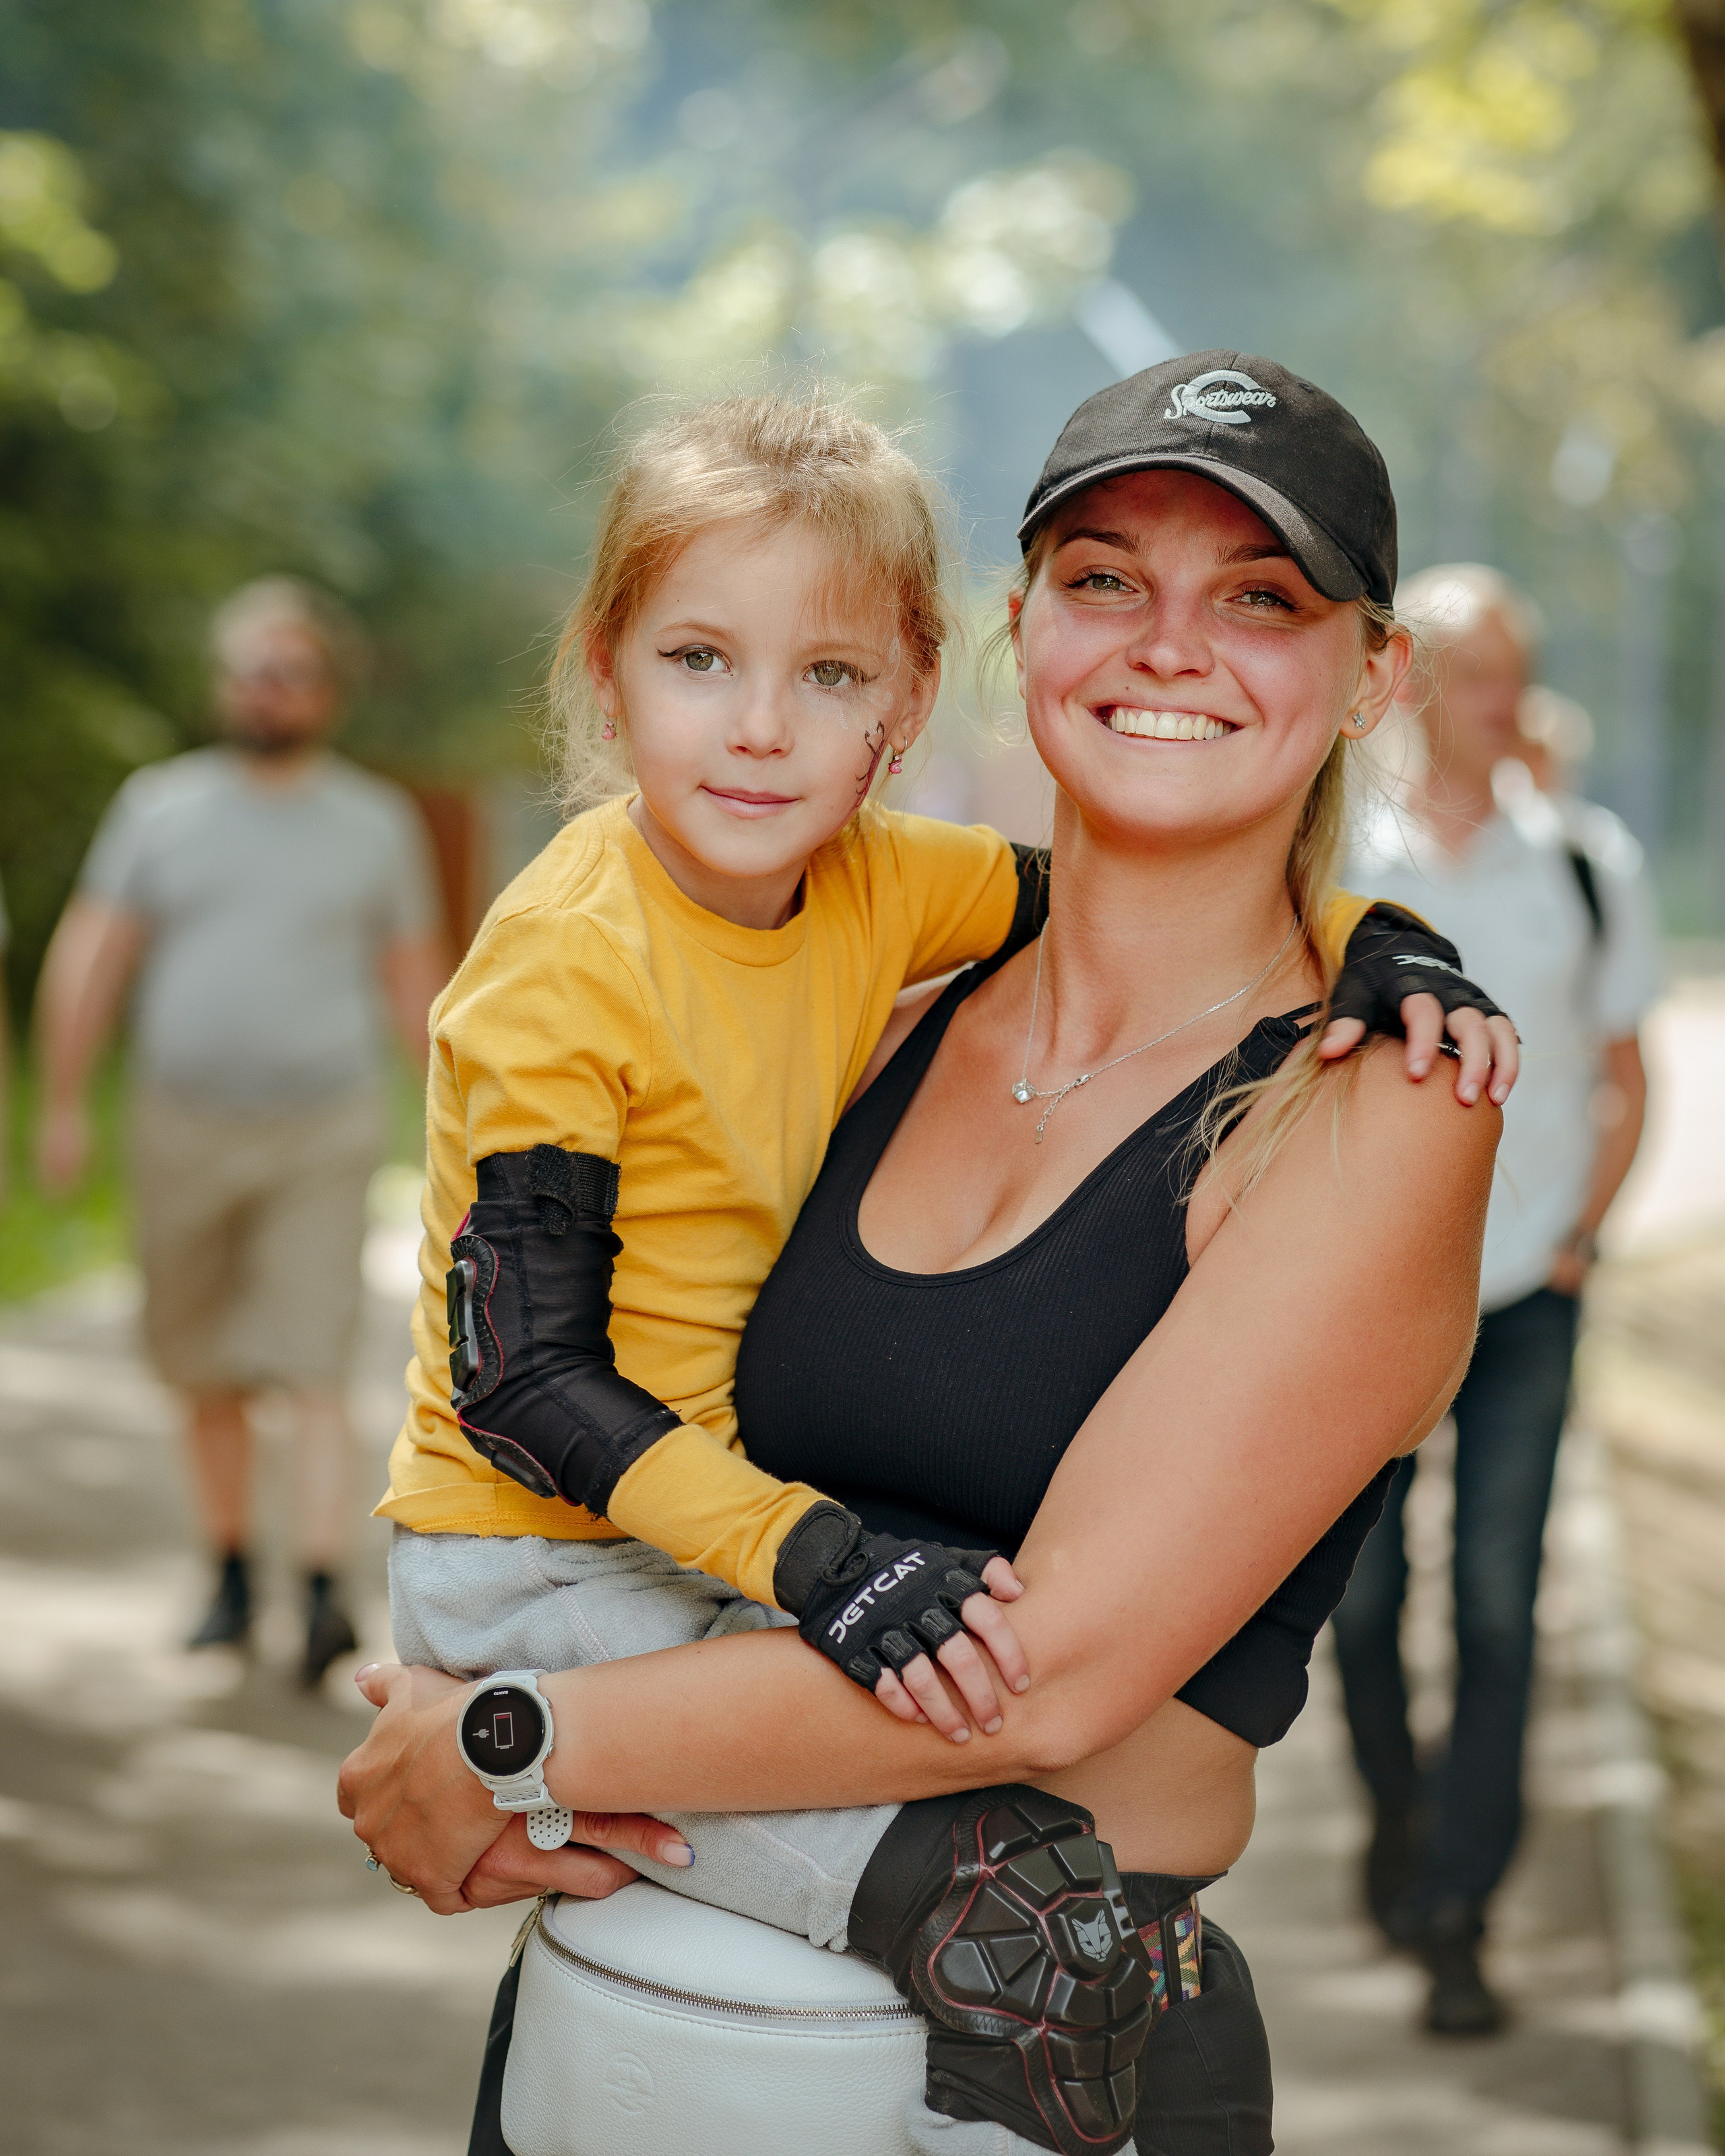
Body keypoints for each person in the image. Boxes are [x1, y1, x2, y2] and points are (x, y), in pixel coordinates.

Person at [340, 352, 1511, 2156]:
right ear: (1019, 630)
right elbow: (550, 1375)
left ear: (1375, 675)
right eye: (1107, 578)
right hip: (622, 2017)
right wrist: (548, 1725)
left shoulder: (1374, 1096)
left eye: (1260, 599)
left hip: (1050, 2049)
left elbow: (1047, 1679)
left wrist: (507, 1738)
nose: (1167, 644)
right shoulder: (882, 994)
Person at [1331, 565, 1660, 2036]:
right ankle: (1395, 1823)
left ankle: (1458, 1902)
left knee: (1497, 1606)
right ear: (1407, 682)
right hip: (1360, 1301)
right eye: (1474, 676)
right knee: (1360, 1604)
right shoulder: (1339, 848)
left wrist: (1582, 1229)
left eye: (1514, 676)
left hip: (1527, 1295)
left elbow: (1623, 1075)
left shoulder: (1584, 860)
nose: (1502, 704)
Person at [33, 577, 449, 1684]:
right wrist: (63, 1102)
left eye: (292, 670)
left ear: (328, 691)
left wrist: (461, 1129)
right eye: (252, 668)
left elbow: (418, 984)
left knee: (311, 1359)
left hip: (321, 1124)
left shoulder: (374, 823)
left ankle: (321, 1588)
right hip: (180, 1125)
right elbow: (93, 955)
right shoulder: (159, 807)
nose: (270, 688)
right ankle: (228, 1571)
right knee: (202, 1360)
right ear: (226, 684)